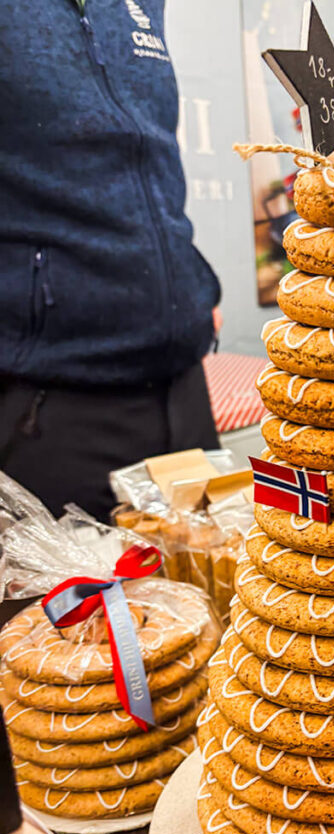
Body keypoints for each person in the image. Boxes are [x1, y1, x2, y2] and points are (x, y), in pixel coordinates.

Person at [0, 1, 221, 521]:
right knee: (78, 603)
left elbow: (149, 161)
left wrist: (192, 284)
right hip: (51, 407)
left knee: (209, 596)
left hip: (185, 391)